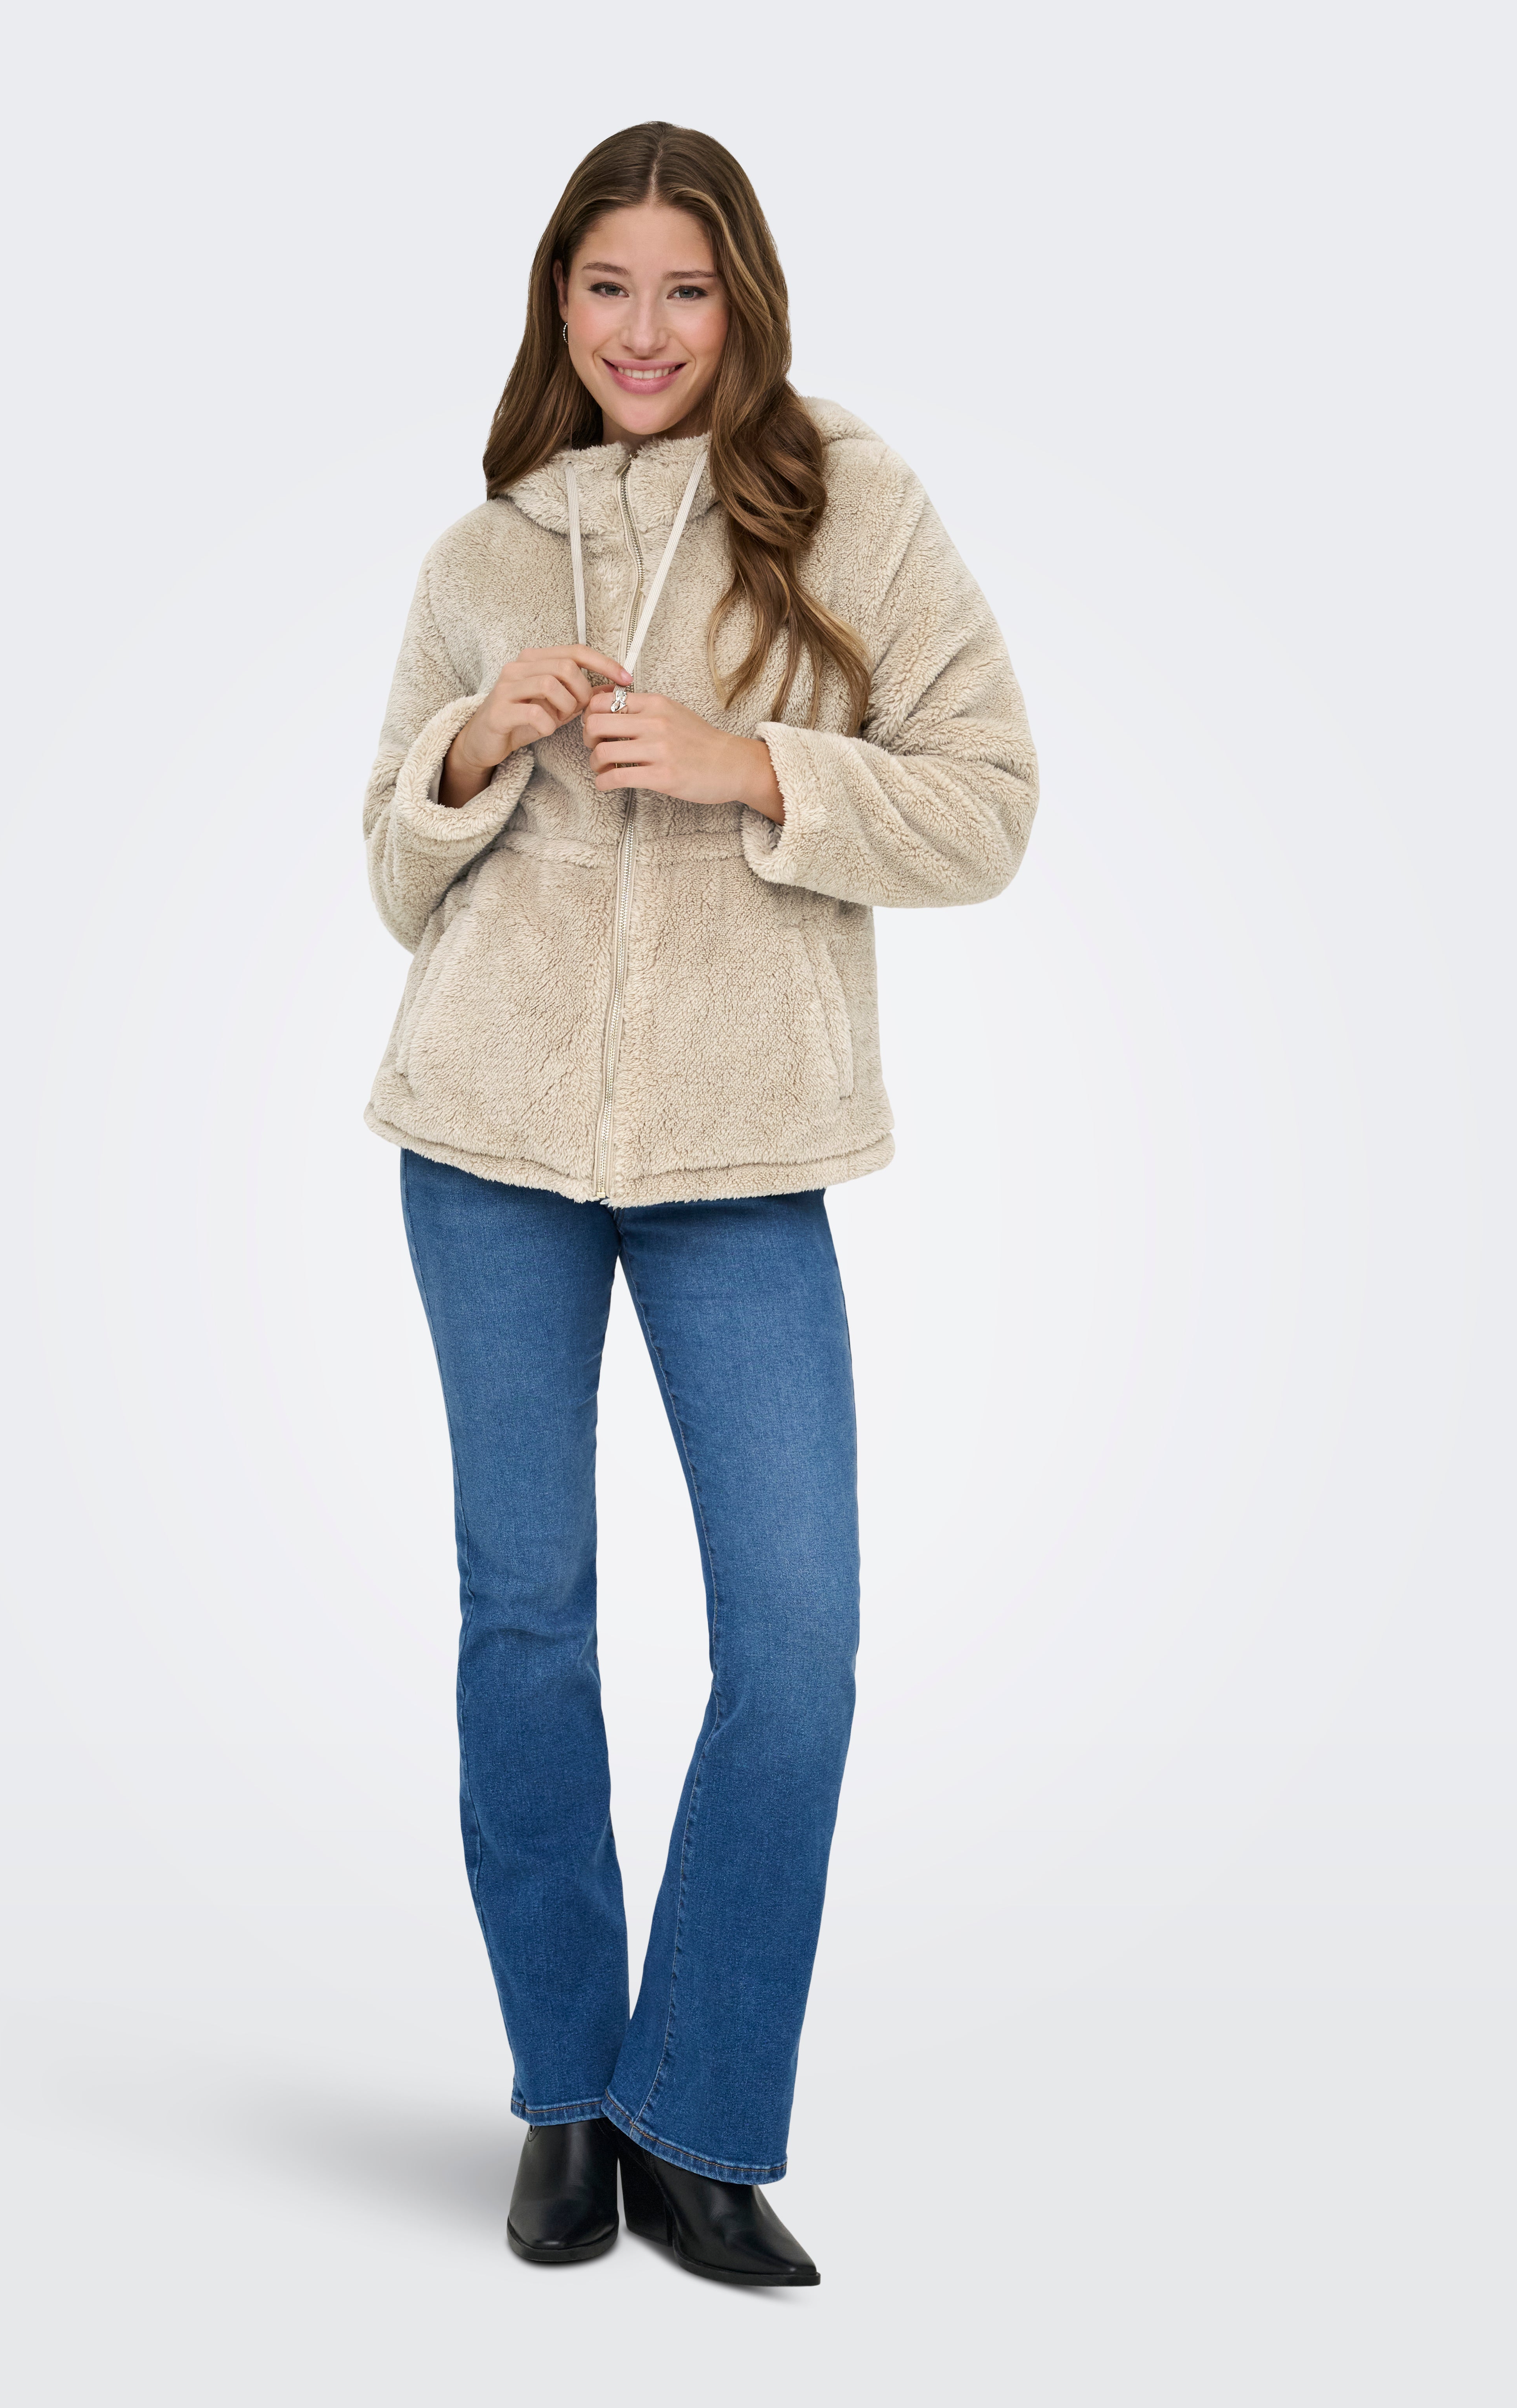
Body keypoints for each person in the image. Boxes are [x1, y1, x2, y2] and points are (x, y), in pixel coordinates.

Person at [361, 121, 1037, 2285]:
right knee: (527, 1619)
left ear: (741, 297)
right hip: (487, 1148)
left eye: (685, 287)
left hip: (742, 1157)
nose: (644, 330)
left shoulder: (849, 504)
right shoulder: (488, 549)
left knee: (797, 1635)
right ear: (555, 304)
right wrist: (473, 748)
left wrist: (758, 769)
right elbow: (391, 874)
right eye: (605, 287)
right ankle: (568, 2093)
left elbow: (990, 805)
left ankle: (702, 2115)